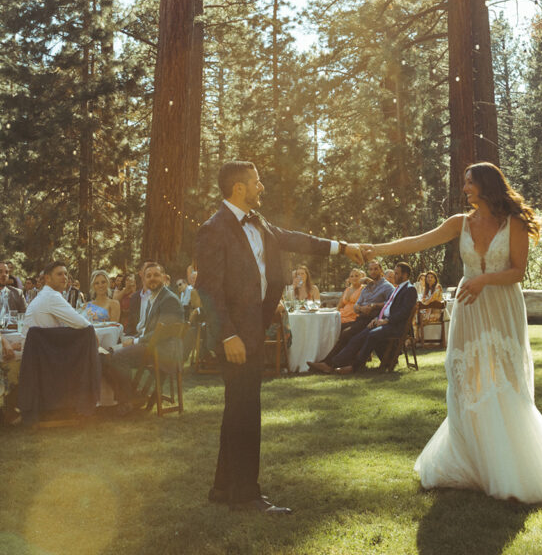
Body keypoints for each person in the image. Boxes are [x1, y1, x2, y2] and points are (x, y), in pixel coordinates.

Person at [363, 162, 542, 504]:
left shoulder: (513, 223)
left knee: (505, 377)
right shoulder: (460, 223)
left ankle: (511, 463)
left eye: (469, 182)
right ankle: (473, 461)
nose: (464, 188)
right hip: (469, 308)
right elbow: (419, 242)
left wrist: (482, 279)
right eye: (464, 183)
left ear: (485, 185)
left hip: (501, 305)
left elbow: (517, 272)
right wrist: (377, 249)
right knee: (465, 376)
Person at [195, 159, 363, 515]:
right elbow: (208, 290)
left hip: (254, 328)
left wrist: (342, 246)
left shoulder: (260, 223)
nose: (261, 187)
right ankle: (246, 495)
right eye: (256, 182)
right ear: (239, 188)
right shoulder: (214, 229)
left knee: (237, 409)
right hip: (236, 336)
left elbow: (297, 240)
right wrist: (227, 337)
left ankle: (224, 487)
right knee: (245, 412)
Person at [100, 262, 183, 414]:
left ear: (164, 277)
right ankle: (131, 395)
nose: (152, 279)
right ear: (143, 279)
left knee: (117, 357)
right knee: (106, 355)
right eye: (149, 276)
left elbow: (163, 332)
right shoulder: (155, 297)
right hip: (153, 345)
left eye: (156, 275)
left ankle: (126, 402)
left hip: (164, 351)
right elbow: (148, 330)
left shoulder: (168, 299)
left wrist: (136, 341)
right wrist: (132, 338)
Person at [311, 262, 417, 374]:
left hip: (395, 326)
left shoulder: (409, 289)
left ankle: (353, 367)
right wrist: (377, 319)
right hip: (381, 321)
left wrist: (385, 320)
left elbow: (404, 312)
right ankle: (332, 364)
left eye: (396, 273)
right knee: (357, 337)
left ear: (405, 275)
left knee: (370, 334)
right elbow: (388, 307)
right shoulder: (398, 288)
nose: (393, 275)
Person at [23, 262, 91, 329]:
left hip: (36, 339)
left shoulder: (45, 294)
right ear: (47, 278)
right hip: (39, 339)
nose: (64, 277)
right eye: (59, 274)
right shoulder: (51, 296)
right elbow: (81, 323)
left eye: (65, 274)